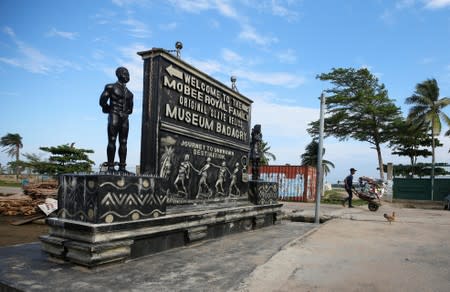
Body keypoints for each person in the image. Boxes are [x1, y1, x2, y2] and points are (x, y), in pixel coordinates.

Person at [99, 67, 134, 172]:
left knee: (124, 142)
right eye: (124, 73)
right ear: (118, 74)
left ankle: (122, 167)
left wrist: (125, 113)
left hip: (124, 118)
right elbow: (102, 101)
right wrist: (109, 110)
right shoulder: (111, 87)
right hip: (114, 115)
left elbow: (130, 109)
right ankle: (110, 166)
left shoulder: (130, 94)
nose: (127, 75)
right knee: (112, 140)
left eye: (128, 73)